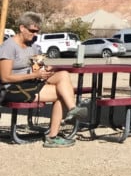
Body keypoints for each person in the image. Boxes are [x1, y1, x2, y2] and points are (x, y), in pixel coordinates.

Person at [0, 11, 88, 148]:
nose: (35, 35)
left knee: (63, 74)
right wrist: (34, 76)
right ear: (22, 28)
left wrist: (44, 69)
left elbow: (36, 65)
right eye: (32, 31)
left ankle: (72, 109)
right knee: (61, 93)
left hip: (30, 82)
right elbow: (5, 77)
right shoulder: (9, 46)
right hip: (12, 88)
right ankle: (53, 136)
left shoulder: (32, 45)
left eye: (37, 32)